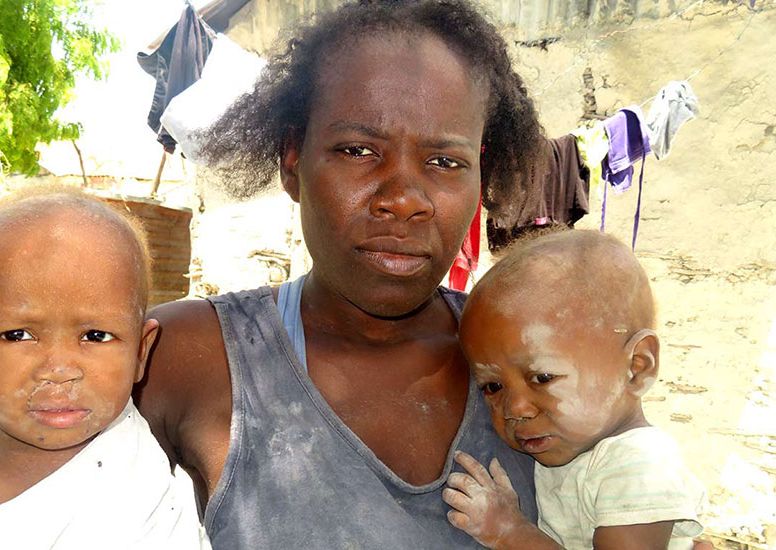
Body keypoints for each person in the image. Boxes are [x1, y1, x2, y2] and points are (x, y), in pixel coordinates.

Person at [136, 1, 714, 547]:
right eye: (359, 150)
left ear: (480, 178)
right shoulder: (183, 356)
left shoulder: (523, 352)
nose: (405, 199)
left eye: (445, 162)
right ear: (293, 159)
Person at [0, 187, 207, 549]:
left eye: (95, 335)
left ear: (140, 352)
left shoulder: (132, 469)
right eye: (17, 334)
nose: (59, 370)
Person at [444, 230, 708, 550]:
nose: (515, 408)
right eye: (493, 386)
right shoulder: (574, 451)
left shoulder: (639, 465)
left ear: (637, 367)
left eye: (542, 377)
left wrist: (508, 532)